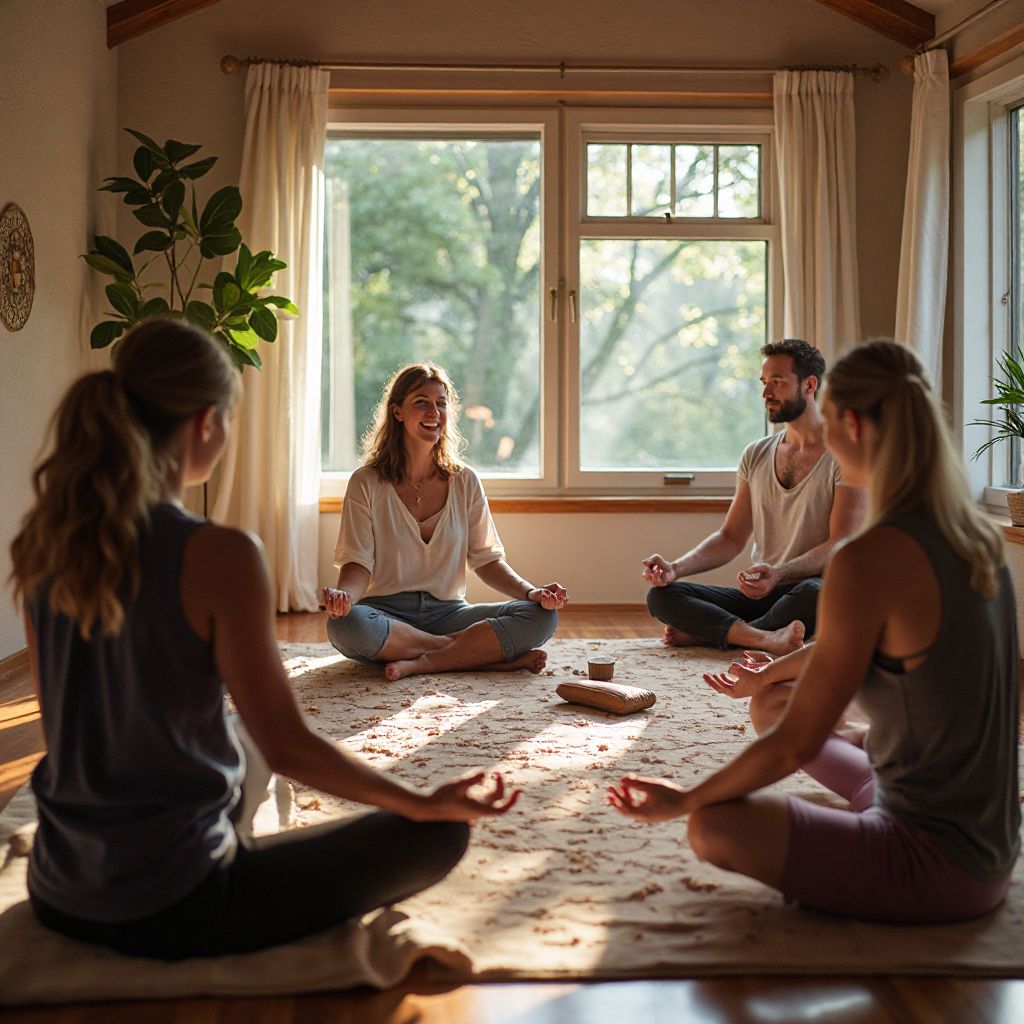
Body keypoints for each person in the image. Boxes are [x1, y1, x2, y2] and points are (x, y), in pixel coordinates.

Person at [8, 321, 519, 961]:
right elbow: (290, 746)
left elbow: (65, 738)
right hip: (176, 900)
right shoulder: (220, 554)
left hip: (59, 885)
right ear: (205, 424)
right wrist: (421, 802)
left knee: (235, 739)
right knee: (438, 835)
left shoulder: (43, 548)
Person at [609, 340, 1020, 924]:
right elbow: (841, 651)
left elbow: (797, 744)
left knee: (715, 824)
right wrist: (770, 671)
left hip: (936, 865)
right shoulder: (979, 543)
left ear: (848, 423)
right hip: (989, 851)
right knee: (771, 704)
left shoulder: (870, 556)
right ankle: (856, 764)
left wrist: (684, 798)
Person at [322, 363, 567, 681]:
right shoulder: (366, 482)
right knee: (346, 625)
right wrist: (344, 600)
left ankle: (424, 661)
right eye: (421, 401)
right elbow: (357, 564)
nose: (434, 411)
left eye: (441, 403)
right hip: (387, 615)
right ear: (397, 412)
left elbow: (487, 561)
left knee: (541, 617)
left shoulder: (465, 481)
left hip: (450, 612)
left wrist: (532, 593)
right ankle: (471, 655)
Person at [643, 339, 866, 655]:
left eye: (777, 382)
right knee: (661, 596)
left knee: (816, 595)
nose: (766, 394)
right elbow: (731, 537)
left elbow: (839, 543)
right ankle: (761, 637)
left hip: (810, 591)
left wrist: (780, 573)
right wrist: (675, 569)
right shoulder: (756, 454)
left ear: (809, 384)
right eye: (764, 383)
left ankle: (718, 634)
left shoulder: (847, 453)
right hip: (763, 596)